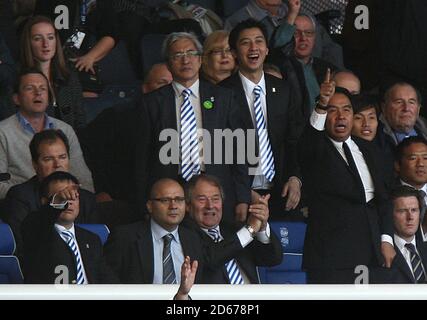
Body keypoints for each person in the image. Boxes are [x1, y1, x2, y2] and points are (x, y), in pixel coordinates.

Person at [135, 32, 251, 223]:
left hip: (215, 190)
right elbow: (142, 159)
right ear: (168, 63)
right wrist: (144, 202)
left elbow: (237, 152)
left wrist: (242, 198)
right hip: (171, 191)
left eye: (191, 53)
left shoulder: (224, 98)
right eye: (178, 55)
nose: (185, 60)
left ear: (200, 60)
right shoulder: (151, 103)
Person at [298, 70, 394, 283]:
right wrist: (322, 103)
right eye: (333, 110)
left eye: (347, 110)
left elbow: (384, 200)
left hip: (371, 255)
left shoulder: (369, 150)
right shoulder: (316, 149)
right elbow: (308, 143)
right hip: (331, 259)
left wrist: (386, 239)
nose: (341, 116)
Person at [104, 178, 263, 284]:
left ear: (185, 205)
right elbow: (106, 282)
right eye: (165, 200)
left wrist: (259, 223)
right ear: (150, 206)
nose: (173, 206)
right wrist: (250, 229)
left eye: (179, 200)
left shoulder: (192, 238)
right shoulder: (125, 237)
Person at [220, 19, 302, 218]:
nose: (253, 48)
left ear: (266, 49)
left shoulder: (284, 90)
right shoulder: (221, 93)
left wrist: (295, 178)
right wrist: (241, 193)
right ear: (233, 53)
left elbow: (295, 140)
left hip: (280, 191)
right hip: (240, 196)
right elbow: (217, 151)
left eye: (259, 41)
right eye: (245, 42)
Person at [0, 69, 94, 199]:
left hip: (67, 204)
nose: (38, 93)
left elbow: (83, 178)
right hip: (22, 207)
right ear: (16, 99)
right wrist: (42, 196)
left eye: (43, 89)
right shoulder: (2, 132)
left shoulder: (65, 129)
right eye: (30, 88)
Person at [3, 129, 96, 258]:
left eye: (62, 157)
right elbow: (20, 246)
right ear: (35, 164)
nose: (58, 165)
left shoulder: (86, 198)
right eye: (48, 159)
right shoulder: (20, 196)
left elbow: (95, 245)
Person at [21, 171, 116, 284]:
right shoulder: (37, 231)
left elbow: (107, 279)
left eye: (73, 196)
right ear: (44, 202)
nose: (68, 202)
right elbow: (39, 222)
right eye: (62, 196)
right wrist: (58, 203)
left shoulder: (91, 239)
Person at [186, 174, 282, 284]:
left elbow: (273, 259)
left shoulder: (234, 229)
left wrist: (261, 226)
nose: (210, 205)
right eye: (202, 199)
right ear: (188, 205)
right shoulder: (185, 234)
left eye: (216, 199)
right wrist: (250, 230)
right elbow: (212, 258)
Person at [268, 14, 339, 121]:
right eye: (295, 33)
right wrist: (293, 11)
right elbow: (277, 44)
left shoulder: (326, 69)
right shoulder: (279, 67)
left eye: (309, 33)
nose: (303, 38)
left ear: (315, 38)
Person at [20, 15, 86, 129]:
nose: (45, 44)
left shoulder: (68, 76)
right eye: (38, 38)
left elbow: (80, 120)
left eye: (50, 37)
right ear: (28, 43)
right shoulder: (19, 80)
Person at [373, 186, 427, 284]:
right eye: (402, 211)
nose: (410, 217)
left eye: (414, 210)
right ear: (389, 215)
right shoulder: (379, 254)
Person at [394, 136, 427, 241]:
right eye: (413, 158)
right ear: (398, 165)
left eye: (425, 158)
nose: (421, 164)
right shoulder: (388, 196)